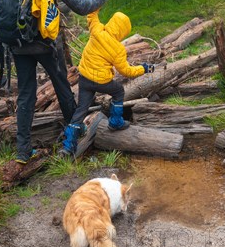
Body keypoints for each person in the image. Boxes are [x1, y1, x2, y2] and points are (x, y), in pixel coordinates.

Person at [2, 0, 109, 164]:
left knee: (26, 94)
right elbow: (82, 5)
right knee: (62, 85)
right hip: (45, 43)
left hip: (17, 42)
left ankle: (23, 151)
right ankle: (74, 135)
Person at [60, 9, 155, 156]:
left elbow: (91, 15)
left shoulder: (97, 30)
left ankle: (68, 146)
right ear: (122, 31)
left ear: (111, 22)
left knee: (81, 109)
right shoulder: (118, 49)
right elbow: (127, 71)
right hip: (101, 81)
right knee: (118, 91)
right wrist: (143, 68)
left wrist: (97, 3)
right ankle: (115, 122)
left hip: (84, 79)